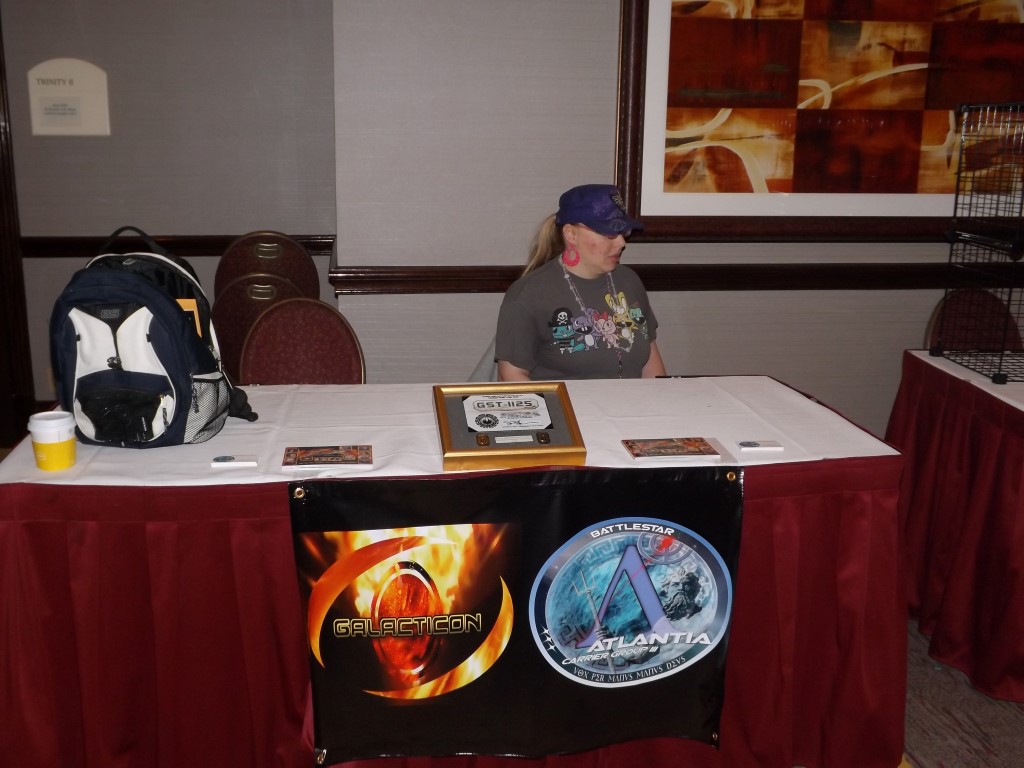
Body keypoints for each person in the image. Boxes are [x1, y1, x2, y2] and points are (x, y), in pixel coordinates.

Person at [495, 184, 666, 381]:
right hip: (566, 401)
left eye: (623, 232)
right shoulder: (529, 293)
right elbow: (511, 376)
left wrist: (658, 399)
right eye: (610, 233)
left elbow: (651, 365)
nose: (621, 243)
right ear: (571, 234)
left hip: (631, 400)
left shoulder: (629, 280)